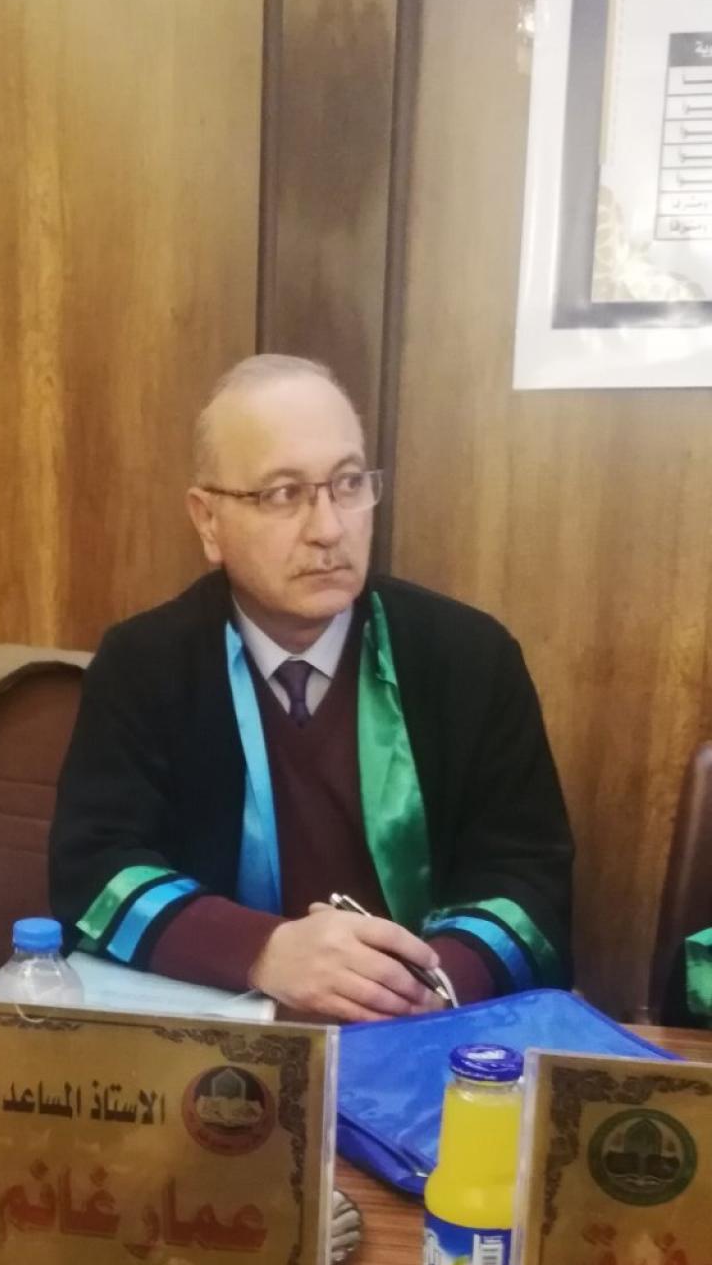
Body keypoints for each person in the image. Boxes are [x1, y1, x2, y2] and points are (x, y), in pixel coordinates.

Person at [49, 354, 573, 1020]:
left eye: (348, 484)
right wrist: (262, 950)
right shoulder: (145, 664)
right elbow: (94, 870)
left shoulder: (470, 658)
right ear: (208, 521)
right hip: (223, 1041)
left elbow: (531, 881)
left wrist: (427, 984)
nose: (328, 528)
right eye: (283, 494)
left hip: (429, 1033)